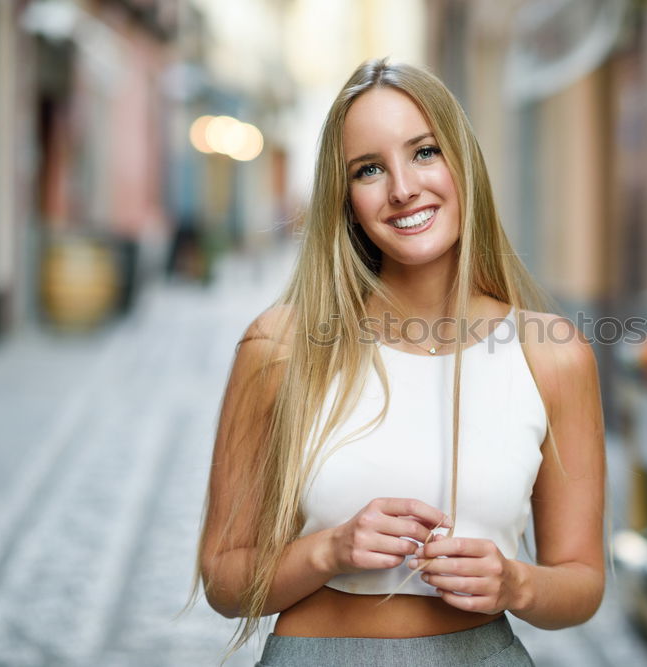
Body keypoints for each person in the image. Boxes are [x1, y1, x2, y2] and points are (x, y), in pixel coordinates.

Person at [193, 57, 606, 666]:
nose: (402, 189)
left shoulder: (552, 354)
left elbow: (582, 583)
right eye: (368, 169)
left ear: (464, 163)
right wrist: (330, 550)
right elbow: (225, 582)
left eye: (424, 152)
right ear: (346, 199)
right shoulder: (280, 346)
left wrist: (517, 583)